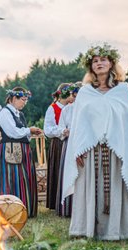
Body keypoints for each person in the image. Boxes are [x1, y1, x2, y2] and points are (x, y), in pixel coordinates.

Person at [62, 44, 128, 240]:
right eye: (95, 61)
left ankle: (119, 230)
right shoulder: (85, 92)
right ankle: (88, 228)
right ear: (91, 67)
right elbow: (79, 124)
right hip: (91, 152)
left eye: (103, 59)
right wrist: (78, 148)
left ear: (111, 63)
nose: (99, 63)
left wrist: (125, 145)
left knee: (118, 186)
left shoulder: (123, 90)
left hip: (117, 151)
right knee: (91, 189)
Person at [0, 87, 42, 217]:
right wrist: (29, 130)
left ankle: (25, 209)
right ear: (13, 98)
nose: (24, 102)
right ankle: (11, 212)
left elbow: (21, 132)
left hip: (22, 149)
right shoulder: (4, 113)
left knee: (24, 178)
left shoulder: (19, 114)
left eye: (26, 100)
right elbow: (13, 132)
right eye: (22, 99)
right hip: (11, 150)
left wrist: (30, 131)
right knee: (12, 179)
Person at [44, 83, 74, 211]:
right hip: (58, 143)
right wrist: (61, 131)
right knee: (58, 171)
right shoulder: (53, 108)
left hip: (71, 142)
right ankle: (57, 202)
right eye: (72, 93)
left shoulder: (72, 108)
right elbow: (47, 129)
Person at [55, 83, 80, 217]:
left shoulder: (88, 109)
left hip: (84, 144)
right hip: (69, 143)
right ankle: (69, 208)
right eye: (75, 94)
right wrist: (64, 131)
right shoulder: (67, 109)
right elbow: (60, 127)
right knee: (70, 172)